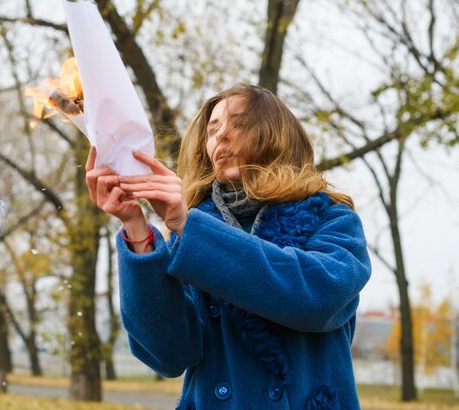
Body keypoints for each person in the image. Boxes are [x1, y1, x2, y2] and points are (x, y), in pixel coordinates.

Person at [86, 83, 371, 409]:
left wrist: (187, 226)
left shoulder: (332, 218)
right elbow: (170, 354)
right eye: (212, 129)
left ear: (277, 135)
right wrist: (135, 226)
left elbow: (317, 297)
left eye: (239, 123)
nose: (221, 136)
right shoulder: (191, 234)